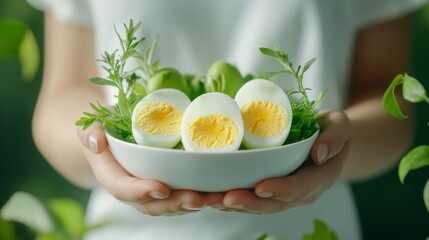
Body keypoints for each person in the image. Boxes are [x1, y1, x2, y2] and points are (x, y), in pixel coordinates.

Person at [28, 0, 428, 239]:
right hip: (130, 229)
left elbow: (388, 98)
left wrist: (331, 143)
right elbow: (62, 98)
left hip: (307, 225)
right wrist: (99, 145)